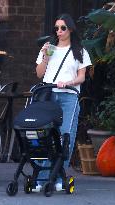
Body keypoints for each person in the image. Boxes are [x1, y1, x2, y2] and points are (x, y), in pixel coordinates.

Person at [34, 13, 92, 192]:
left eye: (63, 28)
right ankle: (42, 177)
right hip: (49, 94)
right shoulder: (49, 48)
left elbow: (82, 77)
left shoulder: (79, 51)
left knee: (65, 135)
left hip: (69, 96)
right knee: (45, 135)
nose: (59, 31)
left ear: (71, 29)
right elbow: (39, 73)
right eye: (56, 28)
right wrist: (45, 56)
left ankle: (59, 176)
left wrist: (68, 82)